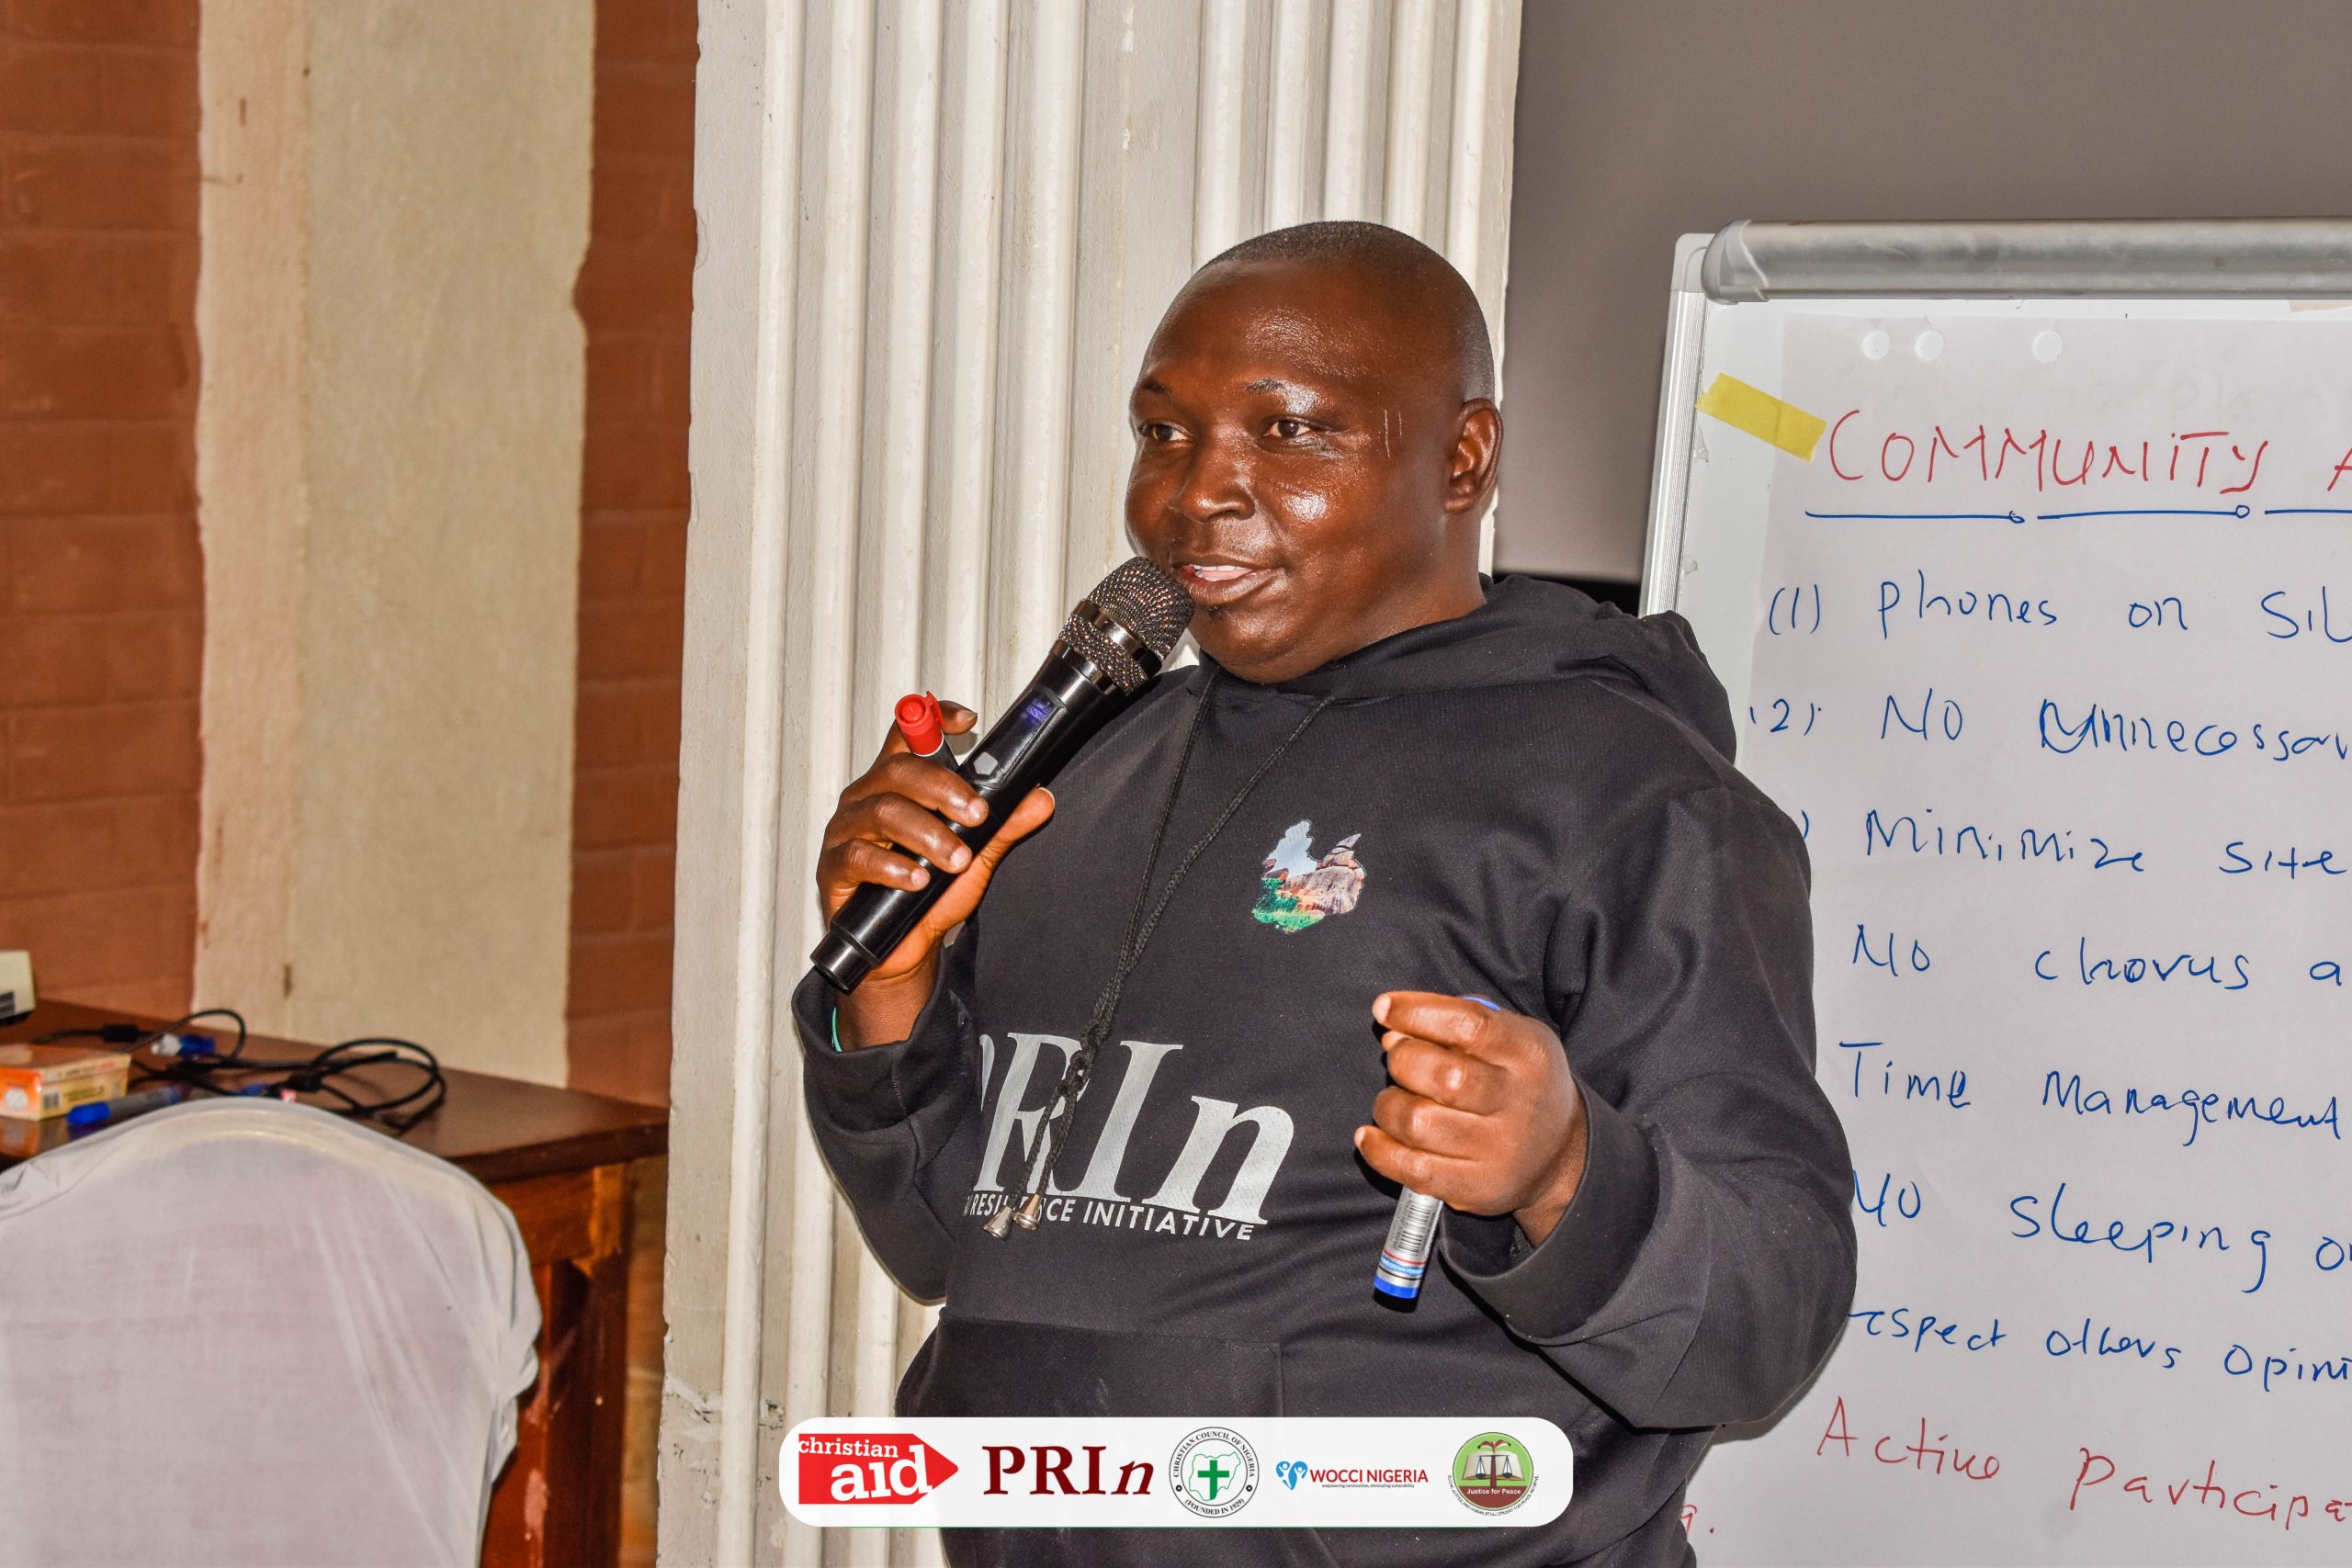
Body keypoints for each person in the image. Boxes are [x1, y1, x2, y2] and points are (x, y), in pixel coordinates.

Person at [795, 220, 1855, 1567]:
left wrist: (1564, 1174)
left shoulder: (1632, 798)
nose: (1197, 494)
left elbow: (1768, 1317)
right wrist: (891, 1001)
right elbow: (948, 1241)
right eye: (1164, 432)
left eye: (1288, 432)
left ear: (1463, 459)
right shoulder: (1086, 769)